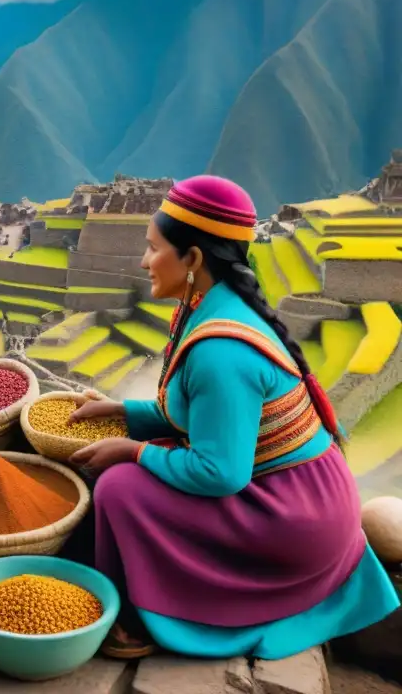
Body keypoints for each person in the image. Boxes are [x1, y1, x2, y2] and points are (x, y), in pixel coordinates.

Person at [67, 176, 399, 660]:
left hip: (294, 517)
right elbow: (194, 415)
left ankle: (142, 616)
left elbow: (221, 473)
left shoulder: (220, 351)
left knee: (120, 487)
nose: (143, 261)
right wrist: (121, 412)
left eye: (153, 248)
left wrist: (133, 450)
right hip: (303, 492)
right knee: (144, 464)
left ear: (194, 259)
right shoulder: (212, 305)